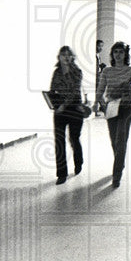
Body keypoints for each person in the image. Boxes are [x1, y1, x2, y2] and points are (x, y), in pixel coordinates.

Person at [96, 41, 131, 188]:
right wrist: (97, 102)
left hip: (125, 109)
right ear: (112, 54)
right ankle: (120, 163)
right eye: (115, 52)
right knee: (114, 141)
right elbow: (101, 89)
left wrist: (127, 97)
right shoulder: (107, 71)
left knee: (121, 141)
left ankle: (117, 175)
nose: (118, 55)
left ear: (125, 54)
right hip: (111, 108)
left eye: (121, 52)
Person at [49, 45, 85, 184]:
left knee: (74, 138)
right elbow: (53, 89)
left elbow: (74, 92)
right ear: (59, 57)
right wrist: (52, 103)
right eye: (63, 54)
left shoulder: (77, 72)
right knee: (59, 140)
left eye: (68, 54)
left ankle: (78, 162)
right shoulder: (56, 72)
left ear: (72, 57)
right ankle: (61, 173)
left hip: (75, 108)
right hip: (59, 110)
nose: (65, 57)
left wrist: (63, 105)